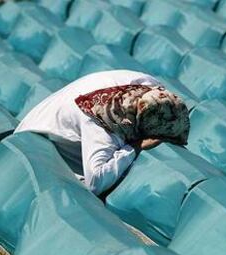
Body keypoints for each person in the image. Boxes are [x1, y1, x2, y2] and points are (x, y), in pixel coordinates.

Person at [15, 70, 190, 195]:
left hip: (56, 116)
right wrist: (135, 147)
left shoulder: (149, 87)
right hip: (37, 140)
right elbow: (95, 182)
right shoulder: (104, 123)